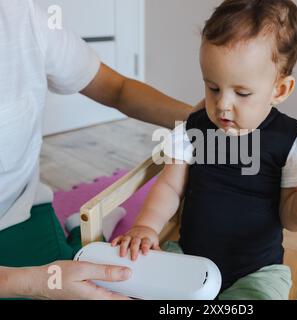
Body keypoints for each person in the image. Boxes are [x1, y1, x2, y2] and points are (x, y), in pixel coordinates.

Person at [113, 0, 297, 300]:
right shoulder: (194, 128)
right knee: (136, 288)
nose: (222, 104)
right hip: (188, 258)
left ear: (280, 90)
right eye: (212, 88)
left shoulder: (292, 141)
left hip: (257, 272)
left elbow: (291, 218)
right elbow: (171, 187)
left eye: (242, 92)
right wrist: (145, 226)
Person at [0, 0, 199, 299]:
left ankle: (86, 236)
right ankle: (87, 236)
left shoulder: (24, 16)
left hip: (16, 212)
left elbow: (116, 88)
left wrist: (202, 120)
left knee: (88, 284)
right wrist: (36, 281)